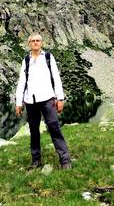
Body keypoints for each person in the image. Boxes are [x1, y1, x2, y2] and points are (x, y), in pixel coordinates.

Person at [15, 33, 72, 170]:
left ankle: (65, 160)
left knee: (54, 128)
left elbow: (56, 78)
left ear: (41, 43)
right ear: (29, 44)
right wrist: (18, 102)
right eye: (33, 41)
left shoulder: (48, 57)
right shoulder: (26, 60)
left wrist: (60, 98)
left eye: (38, 40)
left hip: (47, 98)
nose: (35, 43)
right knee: (34, 131)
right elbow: (22, 82)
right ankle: (36, 161)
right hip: (30, 101)